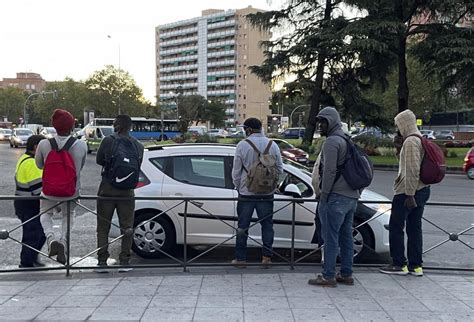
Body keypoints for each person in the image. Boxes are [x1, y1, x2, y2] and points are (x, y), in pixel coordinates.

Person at [308, 107, 360, 287]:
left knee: (330, 237)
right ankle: (346, 273)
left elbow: (329, 171)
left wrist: (325, 195)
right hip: (351, 197)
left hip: (335, 197)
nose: (320, 125)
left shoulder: (331, 142)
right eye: (319, 121)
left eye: (323, 121)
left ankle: (328, 275)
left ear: (332, 122)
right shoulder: (347, 139)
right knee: (346, 237)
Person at [380, 109, 430, 277]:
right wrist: (398, 149)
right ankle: (416, 266)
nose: (397, 129)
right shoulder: (419, 139)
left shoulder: (410, 142)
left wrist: (409, 194)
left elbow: (411, 170)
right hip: (423, 189)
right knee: (415, 228)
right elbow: (406, 165)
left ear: (404, 123)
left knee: (396, 226)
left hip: (407, 192)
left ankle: (398, 264)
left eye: (398, 125)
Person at [35, 109, 87, 264]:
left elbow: (38, 165)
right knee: (68, 216)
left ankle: (51, 239)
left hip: (49, 191)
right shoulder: (81, 145)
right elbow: (80, 168)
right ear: (72, 127)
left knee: (45, 214)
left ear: (54, 126)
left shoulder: (44, 144)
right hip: (71, 191)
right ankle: (63, 242)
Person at [231, 117, 283, 268]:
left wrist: (238, 186)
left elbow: (236, 171)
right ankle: (266, 257)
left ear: (248, 129)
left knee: (243, 226)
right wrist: (271, 183)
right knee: (267, 225)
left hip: (246, 192)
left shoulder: (242, 145)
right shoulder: (273, 145)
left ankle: (241, 259)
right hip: (267, 193)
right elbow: (279, 169)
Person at [95, 115, 144, 272]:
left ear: (116, 125)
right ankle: (124, 261)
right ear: (131, 127)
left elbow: (99, 160)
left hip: (107, 190)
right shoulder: (138, 145)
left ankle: (102, 261)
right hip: (127, 192)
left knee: (103, 227)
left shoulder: (108, 141)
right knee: (127, 227)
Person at [14, 134, 47, 268]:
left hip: (22, 202)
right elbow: (38, 190)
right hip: (30, 204)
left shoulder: (24, 158)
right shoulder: (33, 164)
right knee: (34, 234)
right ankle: (27, 262)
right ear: (36, 147)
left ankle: (32, 257)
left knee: (36, 233)